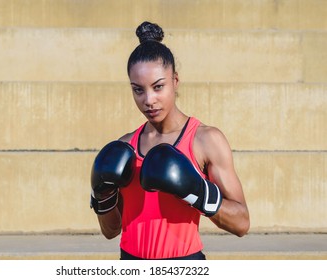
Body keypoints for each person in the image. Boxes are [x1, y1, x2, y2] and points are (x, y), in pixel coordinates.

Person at [90, 21, 250, 260]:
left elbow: (241, 223)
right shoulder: (125, 147)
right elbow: (110, 231)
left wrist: (196, 190)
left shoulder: (205, 140)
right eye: (138, 90)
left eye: (158, 87)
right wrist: (101, 195)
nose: (149, 100)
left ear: (175, 81)